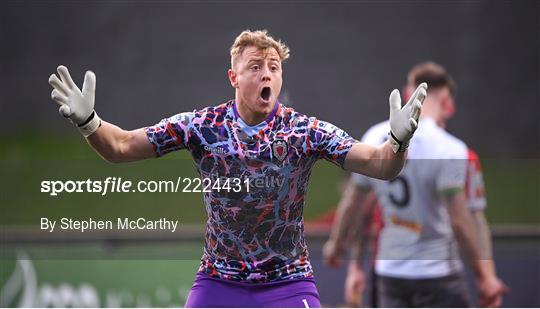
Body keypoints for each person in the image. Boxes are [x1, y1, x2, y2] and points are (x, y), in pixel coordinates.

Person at [47, 30, 427, 307]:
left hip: (288, 284)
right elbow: (121, 147)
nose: (266, 74)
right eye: (255, 67)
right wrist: (89, 123)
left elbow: (380, 165)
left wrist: (398, 142)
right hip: (218, 283)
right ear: (234, 77)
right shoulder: (202, 126)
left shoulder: (303, 131)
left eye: (273, 68)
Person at [324, 62, 508, 307]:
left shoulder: (374, 136)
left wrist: (336, 245)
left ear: (408, 94)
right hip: (438, 273)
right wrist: (485, 277)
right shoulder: (451, 149)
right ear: (446, 101)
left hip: (390, 272)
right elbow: (461, 222)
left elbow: (354, 205)